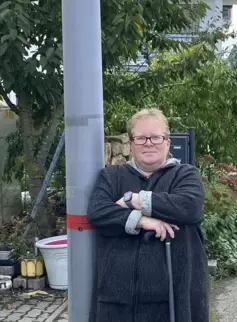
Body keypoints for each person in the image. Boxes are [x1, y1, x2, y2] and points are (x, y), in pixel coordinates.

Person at [87, 108, 209, 322]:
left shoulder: (185, 175)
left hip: (174, 302)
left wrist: (133, 201)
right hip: (117, 301)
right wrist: (142, 221)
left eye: (156, 137)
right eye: (141, 138)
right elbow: (98, 211)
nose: (148, 143)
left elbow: (190, 206)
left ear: (167, 142)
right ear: (131, 144)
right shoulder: (111, 176)